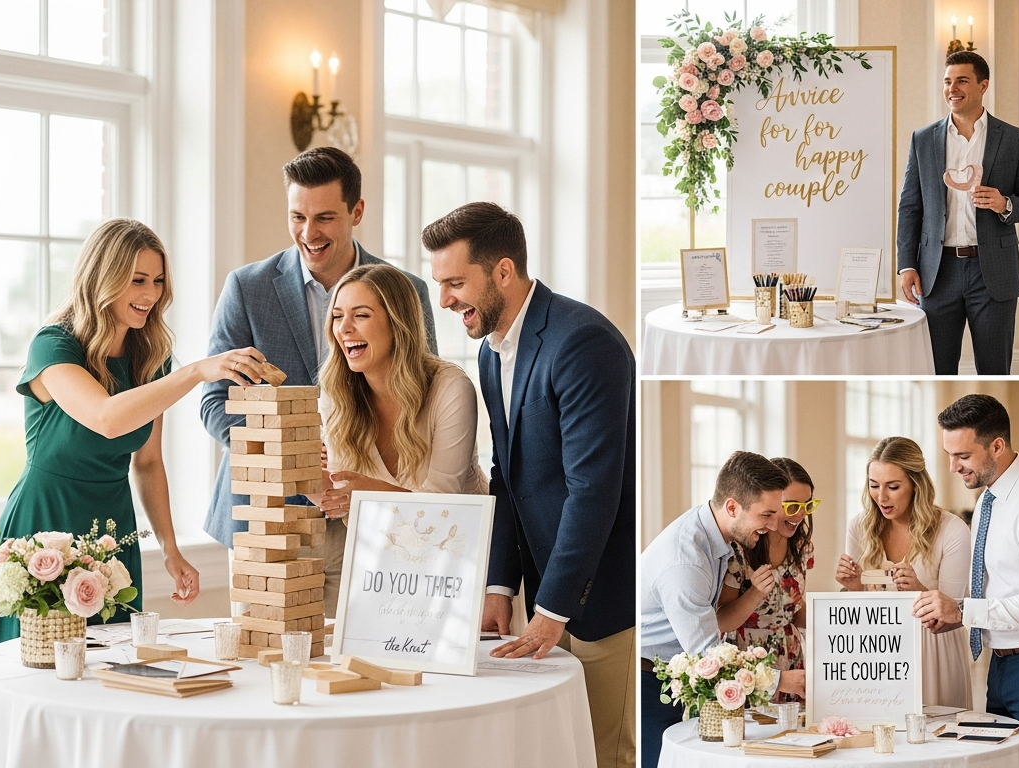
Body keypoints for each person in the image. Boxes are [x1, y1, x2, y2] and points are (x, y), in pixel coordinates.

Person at [0, 219, 265, 647]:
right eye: (137, 280)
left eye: (157, 281)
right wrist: (196, 372)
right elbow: (107, 417)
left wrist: (171, 550)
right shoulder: (54, 345)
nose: (150, 294)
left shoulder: (150, 357)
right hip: (46, 524)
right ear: (104, 277)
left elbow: (148, 462)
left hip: (112, 529)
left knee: (108, 668)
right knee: (39, 665)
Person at [425, 202, 636, 768]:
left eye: (454, 283)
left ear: (502, 271)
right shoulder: (491, 351)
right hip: (543, 597)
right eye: (439, 284)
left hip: (600, 598)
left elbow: (593, 488)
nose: (444, 300)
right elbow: (508, 476)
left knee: (605, 753)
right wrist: (500, 587)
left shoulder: (583, 342)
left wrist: (555, 608)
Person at [200, 147, 436, 559]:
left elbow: (422, 399)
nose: (310, 233)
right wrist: (296, 451)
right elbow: (215, 404)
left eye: (325, 217)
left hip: (369, 517)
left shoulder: (406, 291)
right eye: (298, 217)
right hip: (266, 516)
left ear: (356, 211)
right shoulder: (246, 288)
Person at [305, 264, 487, 617]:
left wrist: (362, 495)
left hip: (461, 569)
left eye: (361, 315)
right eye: (338, 316)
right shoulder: (336, 392)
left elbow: (442, 507)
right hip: (388, 575)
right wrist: (311, 478)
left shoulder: (450, 388)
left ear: (396, 322)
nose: (344, 329)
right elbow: (343, 500)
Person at [639, 452, 805, 768]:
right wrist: (782, 681)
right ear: (732, 507)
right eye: (766, 515)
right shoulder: (686, 560)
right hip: (648, 682)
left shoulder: (712, 535)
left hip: (670, 675)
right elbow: (705, 654)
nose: (772, 526)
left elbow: (712, 622)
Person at [896, 50, 1019, 375]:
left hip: (993, 274)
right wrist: (907, 265)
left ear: (983, 85)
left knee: (996, 371)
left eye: (962, 81)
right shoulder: (923, 140)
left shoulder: (1014, 139)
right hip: (937, 273)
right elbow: (910, 206)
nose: (952, 88)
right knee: (938, 371)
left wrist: (1005, 204)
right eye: (947, 82)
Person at [913, 394, 1019, 724]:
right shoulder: (986, 500)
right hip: (998, 665)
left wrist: (963, 609)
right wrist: (955, 615)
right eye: (949, 455)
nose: (952, 467)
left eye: (962, 455)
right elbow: (998, 585)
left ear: (996, 447)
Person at [836, 436, 973, 709]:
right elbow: (859, 612)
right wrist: (853, 587)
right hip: (878, 655)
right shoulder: (859, 527)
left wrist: (920, 591)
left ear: (915, 484)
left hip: (934, 654)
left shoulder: (952, 530)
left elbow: (956, 612)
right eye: (874, 486)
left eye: (893, 487)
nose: (881, 497)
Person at [717, 457, 816, 696]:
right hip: (747, 663)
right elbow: (721, 619)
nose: (800, 515)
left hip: (791, 658)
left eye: (808, 506)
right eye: (792, 506)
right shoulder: (739, 549)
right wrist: (754, 593)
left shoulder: (802, 546)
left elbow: (794, 611)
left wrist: (840, 618)